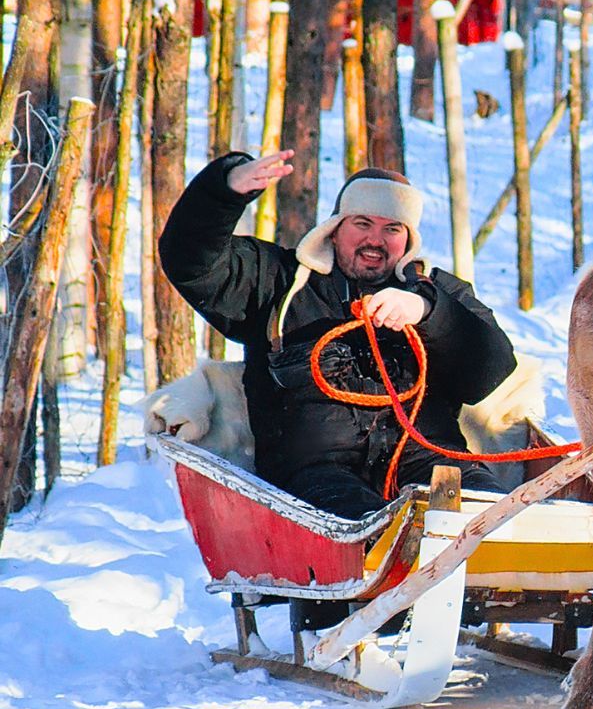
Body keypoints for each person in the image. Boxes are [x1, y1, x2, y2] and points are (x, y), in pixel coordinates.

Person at [159, 150, 519, 519]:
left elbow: (490, 369)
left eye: (391, 229)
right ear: (335, 228)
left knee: (497, 517)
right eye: (362, 223)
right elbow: (191, 261)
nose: (374, 241)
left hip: (431, 461)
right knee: (370, 531)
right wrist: (223, 191)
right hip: (315, 478)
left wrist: (429, 313)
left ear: (408, 240)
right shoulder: (276, 282)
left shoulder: (438, 292)